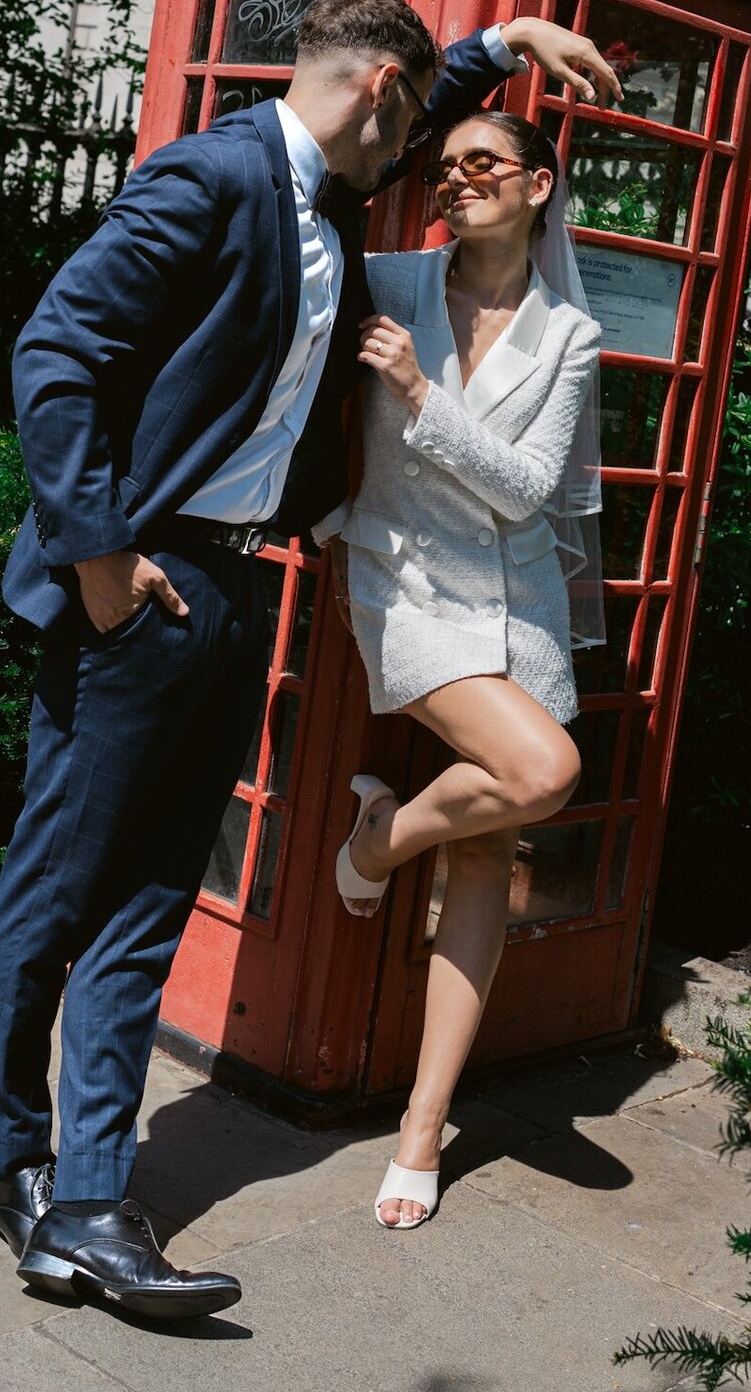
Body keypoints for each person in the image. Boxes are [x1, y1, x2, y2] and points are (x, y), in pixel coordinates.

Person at [0, 0, 622, 1322]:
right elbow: (56, 350)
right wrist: (99, 557)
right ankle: (12, 1159)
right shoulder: (209, 179)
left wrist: (504, 46)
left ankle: (86, 1201)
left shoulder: (330, 189)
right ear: (377, 93)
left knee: (154, 893)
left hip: (235, 582)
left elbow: (418, 108)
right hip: (141, 578)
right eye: (411, 124)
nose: (422, 166)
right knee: (59, 887)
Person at [315, 109, 604, 1230]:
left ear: (538, 186)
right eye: (445, 165)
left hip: (520, 605)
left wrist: (421, 396)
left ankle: (423, 1127)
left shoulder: (569, 333)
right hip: (405, 586)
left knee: (485, 854)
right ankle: (379, 840)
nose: (459, 178)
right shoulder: (389, 279)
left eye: (485, 162)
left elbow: (529, 491)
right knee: (541, 773)